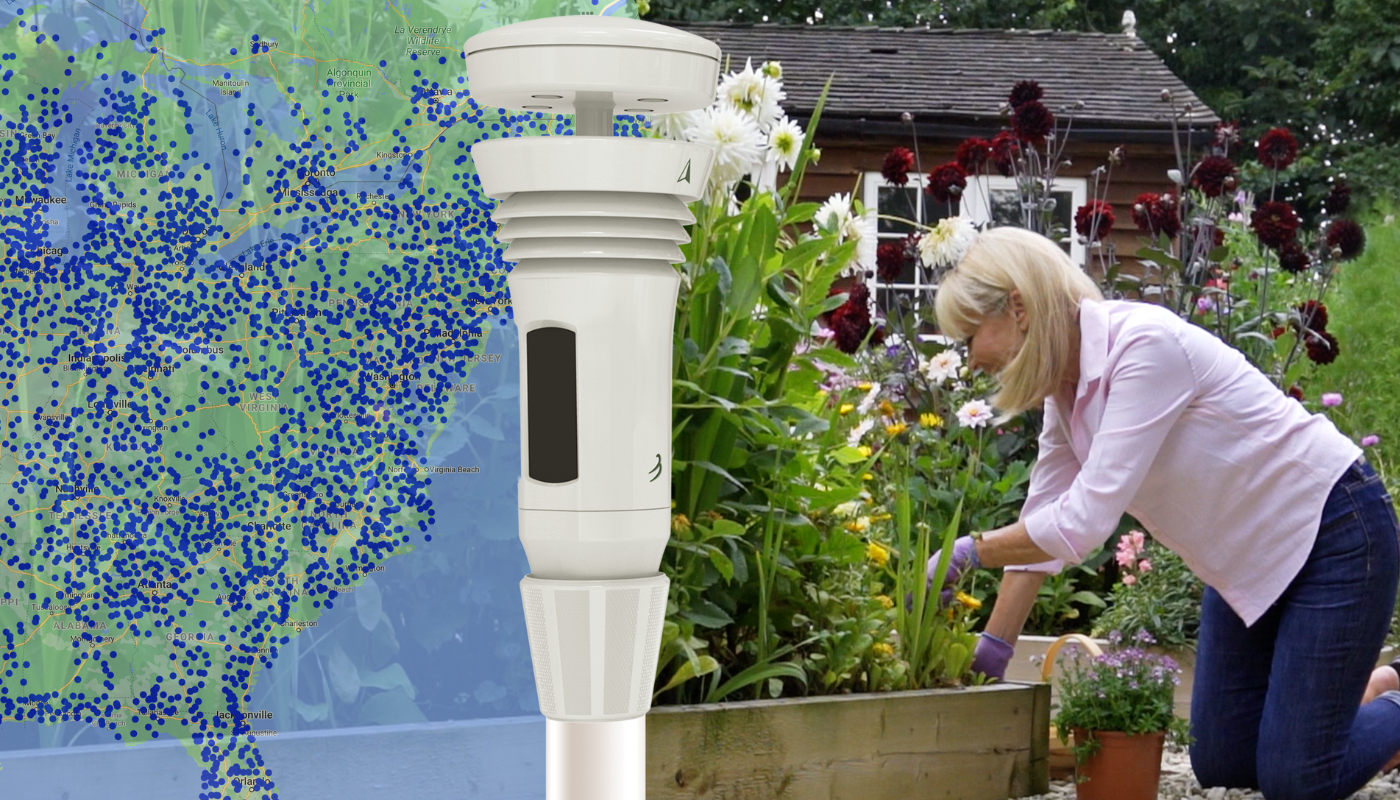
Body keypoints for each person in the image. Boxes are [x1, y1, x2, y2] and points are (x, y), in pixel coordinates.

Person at [926, 225, 1400, 800]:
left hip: (1335, 533)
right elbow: (1044, 526)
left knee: (1298, 781)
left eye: (971, 335)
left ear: (1019, 308)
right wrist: (992, 656)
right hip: (1245, 566)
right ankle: (1352, 704)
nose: (971, 357)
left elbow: (1082, 523)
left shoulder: (1144, 348)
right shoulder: (1065, 388)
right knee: (1222, 764)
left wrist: (968, 553)